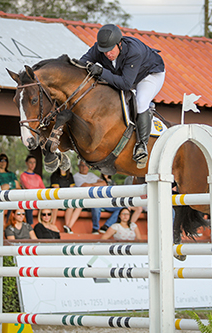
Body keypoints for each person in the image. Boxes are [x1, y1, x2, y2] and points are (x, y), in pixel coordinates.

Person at [80, 24, 165, 168]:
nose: (107, 54)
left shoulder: (134, 52)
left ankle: (141, 145)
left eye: (110, 50)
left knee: (141, 102)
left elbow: (125, 84)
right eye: (104, 51)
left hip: (149, 75)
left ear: (119, 43)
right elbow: (81, 63)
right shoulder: (99, 48)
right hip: (126, 77)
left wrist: (101, 72)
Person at [73, 160, 121, 234]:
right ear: (78, 166)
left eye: (86, 165)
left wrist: (90, 185)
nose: (84, 167)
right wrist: (96, 184)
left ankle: (106, 226)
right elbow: (85, 186)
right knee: (96, 206)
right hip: (88, 200)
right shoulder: (76, 176)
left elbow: (104, 183)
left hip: (100, 198)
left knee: (120, 207)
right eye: (82, 165)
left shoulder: (91, 175)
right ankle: (95, 228)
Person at [50, 167, 82, 234]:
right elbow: (56, 190)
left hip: (67, 198)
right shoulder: (54, 175)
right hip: (57, 198)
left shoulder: (69, 175)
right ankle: (52, 225)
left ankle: (68, 227)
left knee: (77, 205)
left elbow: (71, 190)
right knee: (55, 204)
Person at [20, 155, 45, 225]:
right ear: (26, 163)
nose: (32, 164)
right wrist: (38, 189)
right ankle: (29, 225)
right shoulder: (23, 175)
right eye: (30, 162)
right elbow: (28, 187)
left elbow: (43, 189)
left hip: (38, 198)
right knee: (28, 204)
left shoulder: (38, 177)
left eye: (34, 162)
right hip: (28, 198)